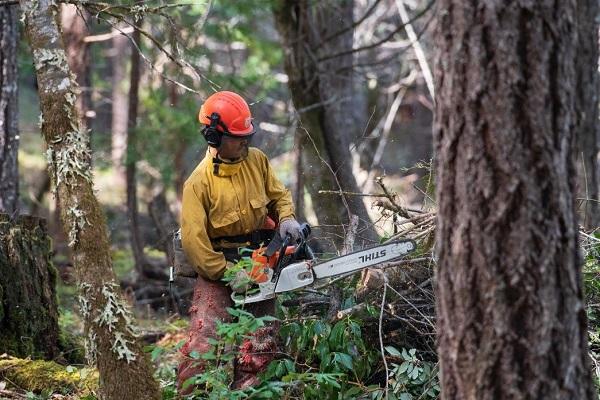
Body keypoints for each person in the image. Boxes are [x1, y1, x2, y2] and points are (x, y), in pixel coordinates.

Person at [177, 91, 302, 392]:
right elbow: (195, 243)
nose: (245, 141)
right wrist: (230, 274)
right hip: (218, 266)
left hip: (259, 257)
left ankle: (250, 393)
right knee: (203, 344)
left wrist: (286, 218)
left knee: (259, 342)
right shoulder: (198, 182)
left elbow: (278, 195)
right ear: (215, 137)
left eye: (247, 135)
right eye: (237, 137)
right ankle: (191, 396)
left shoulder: (256, 161)